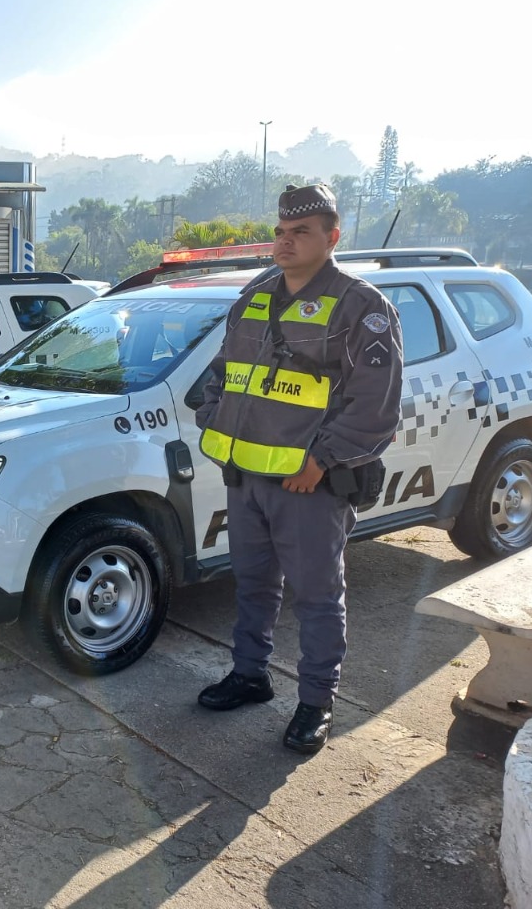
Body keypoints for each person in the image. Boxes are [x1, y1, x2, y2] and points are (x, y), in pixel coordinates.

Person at [194, 184, 404, 754]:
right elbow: (221, 372)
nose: (286, 241)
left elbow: (376, 406)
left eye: (302, 232)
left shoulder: (362, 306)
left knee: (316, 595)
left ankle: (315, 702)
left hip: (308, 486)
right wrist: (214, 421)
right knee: (253, 585)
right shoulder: (256, 294)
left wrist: (322, 462)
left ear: (332, 238)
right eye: (282, 231)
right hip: (247, 478)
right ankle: (250, 675)